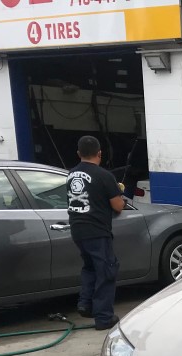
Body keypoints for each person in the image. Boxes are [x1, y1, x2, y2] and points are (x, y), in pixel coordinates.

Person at [67, 135, 125, 330]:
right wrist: (120, 196)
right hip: (97, 231)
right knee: (106, 271)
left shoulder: (71, 175)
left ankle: (85, 304)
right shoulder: (104, 176)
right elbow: (117, 205)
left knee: (90, 267)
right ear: (100, 153)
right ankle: (103, 318)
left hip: (77, 230)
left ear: (78, 154)